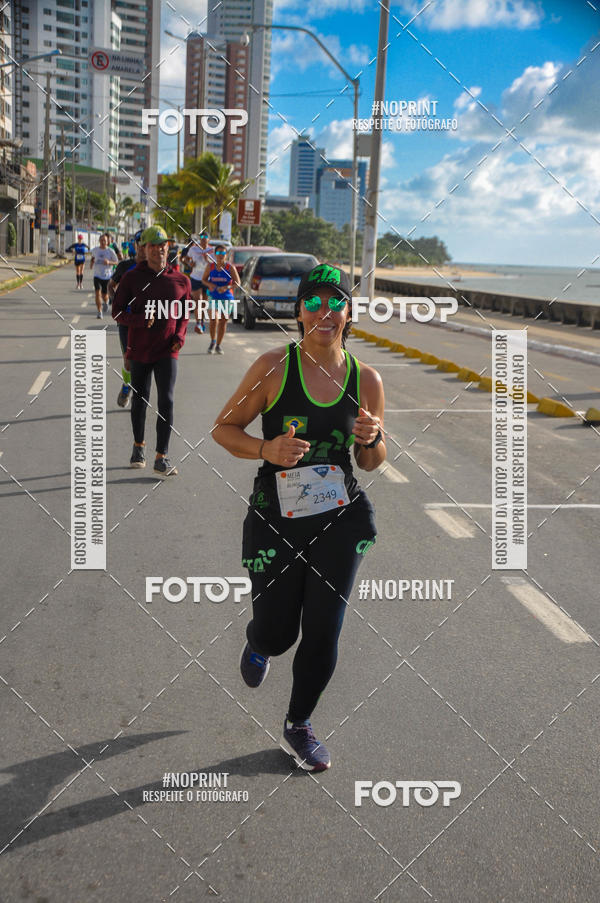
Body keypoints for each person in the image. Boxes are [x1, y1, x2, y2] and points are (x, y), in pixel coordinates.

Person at [212, 263, 386, 771]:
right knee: (278, 630)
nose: (325, 313)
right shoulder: (271, 367)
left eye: (335, 303)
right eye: (314, 303)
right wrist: (267, 448)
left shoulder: (366, 379)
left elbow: (373, 462)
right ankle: (259, 642)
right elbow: (224, 429)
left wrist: (371, 440)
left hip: (341, 520)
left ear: (349, 314)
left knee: (325, 630)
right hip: (276, 519)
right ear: (299, 313)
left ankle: (299, 724)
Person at [112, 225, 191, 476]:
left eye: (163, 245)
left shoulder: (181, 280)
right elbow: (117, 311)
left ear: (169, 247)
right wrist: (138, 321)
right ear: (144, 249)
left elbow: (184, 314)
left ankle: (162, 456)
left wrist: (180, 336)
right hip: (140, 349)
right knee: (140, 399)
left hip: (168, 349)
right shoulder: (132, 278)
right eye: (154, 245)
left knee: (166, 400)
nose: (159, 249)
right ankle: (138, 446)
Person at [108, 229, 144, 408]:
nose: (144, 247)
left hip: (148, 322)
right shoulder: (124, 266)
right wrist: (116, 302)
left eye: (149, 243)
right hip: (126, 321)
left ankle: (140, 395)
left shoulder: (158, 269)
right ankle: (126, 385)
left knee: (146, 360)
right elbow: (111, 285)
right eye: (141, 243)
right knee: (128, 361)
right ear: (135, 245)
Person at [201, 244, 240, 355]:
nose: (220, 255)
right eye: (218, 253)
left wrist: (227, 287)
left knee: (223, 322)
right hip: (213, 297)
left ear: (226, 255)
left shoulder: (230, 267)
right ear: (215, 254)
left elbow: (238, 283)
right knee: (214, 320)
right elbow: (203, 280)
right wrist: (210, 284)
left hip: (227, 298)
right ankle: (212, 342)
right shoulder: (210, 267)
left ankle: (218, 345)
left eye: (223, 253)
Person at [182, 231, 213, 334]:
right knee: (198, 301)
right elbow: (186, 258)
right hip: (195, 278)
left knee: (204, 302)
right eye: (202, 237)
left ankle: (202, 321)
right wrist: (190, 263)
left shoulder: (212, 250)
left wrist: (207, 259)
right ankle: (198, 323)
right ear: (200, 239)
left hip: (206, 279)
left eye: (206, 237)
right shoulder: (193, 249)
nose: (203, 239)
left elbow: (214, 265)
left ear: (208, 239)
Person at [90, 234, 119, 318]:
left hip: (107, 276)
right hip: (97, 275)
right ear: (99, 241)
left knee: (104, 295)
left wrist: (109, 262)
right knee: (97, 294)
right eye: (101, 240)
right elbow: (93, 258)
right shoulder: (95, 250)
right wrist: (92, 263)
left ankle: (106, 302)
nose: (103, 242)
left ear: (107, 242)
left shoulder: (110, 251)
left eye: (105, 241)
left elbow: (116, 262)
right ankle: (99, 312)